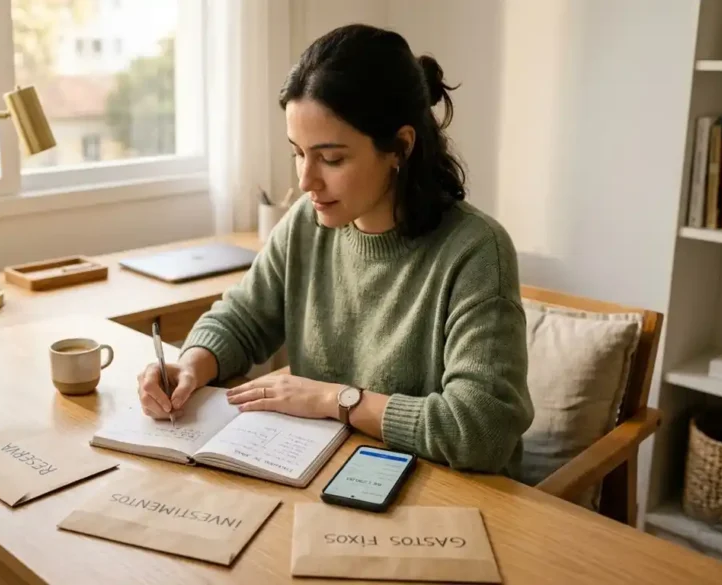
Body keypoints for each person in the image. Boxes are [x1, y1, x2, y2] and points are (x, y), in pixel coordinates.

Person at [136, 23, 534, 477]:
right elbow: (242, 319)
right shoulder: (308, 221)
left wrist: (332, 400)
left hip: (445, 494)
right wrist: (189, 366)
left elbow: (480, 430)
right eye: (298, 153)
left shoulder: (477, 252)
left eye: (331, 158)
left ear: (400, 147)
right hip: (328, 470)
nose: (306, 181)